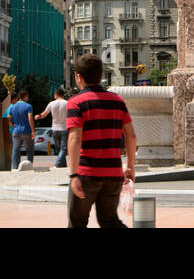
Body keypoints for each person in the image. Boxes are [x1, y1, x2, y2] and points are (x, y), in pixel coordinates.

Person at [66, 53, 137, 228]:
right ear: (100, 76)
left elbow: (75, 138)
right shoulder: (117, 101)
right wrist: (130, 167)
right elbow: (131, 135)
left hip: (86, 174)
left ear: (78, 77)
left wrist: (74, 174)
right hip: (113, 174)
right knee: (109, 221)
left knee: (77, 223)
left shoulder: (76, 103)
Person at [37, 88, 69, 168]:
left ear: (56, 95)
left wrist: (38, 116)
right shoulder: (67, 103)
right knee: (64, 148)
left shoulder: (51, 104)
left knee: (58, 148)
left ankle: (62, 164)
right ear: (63, 95)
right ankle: (59, 164)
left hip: (54, 128)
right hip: (64, 128)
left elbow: (44, 114)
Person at [4, 89, 35, 168]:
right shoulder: (28, 106)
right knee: (29, 150)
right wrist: (33, 130)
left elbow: (8, 119)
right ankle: (29, 165)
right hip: (26, 131)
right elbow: (30, 118)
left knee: (15, 150)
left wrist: (13, 126)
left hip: (16, 131)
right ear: (26, 97)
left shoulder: (12, 107)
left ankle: (15, 167)